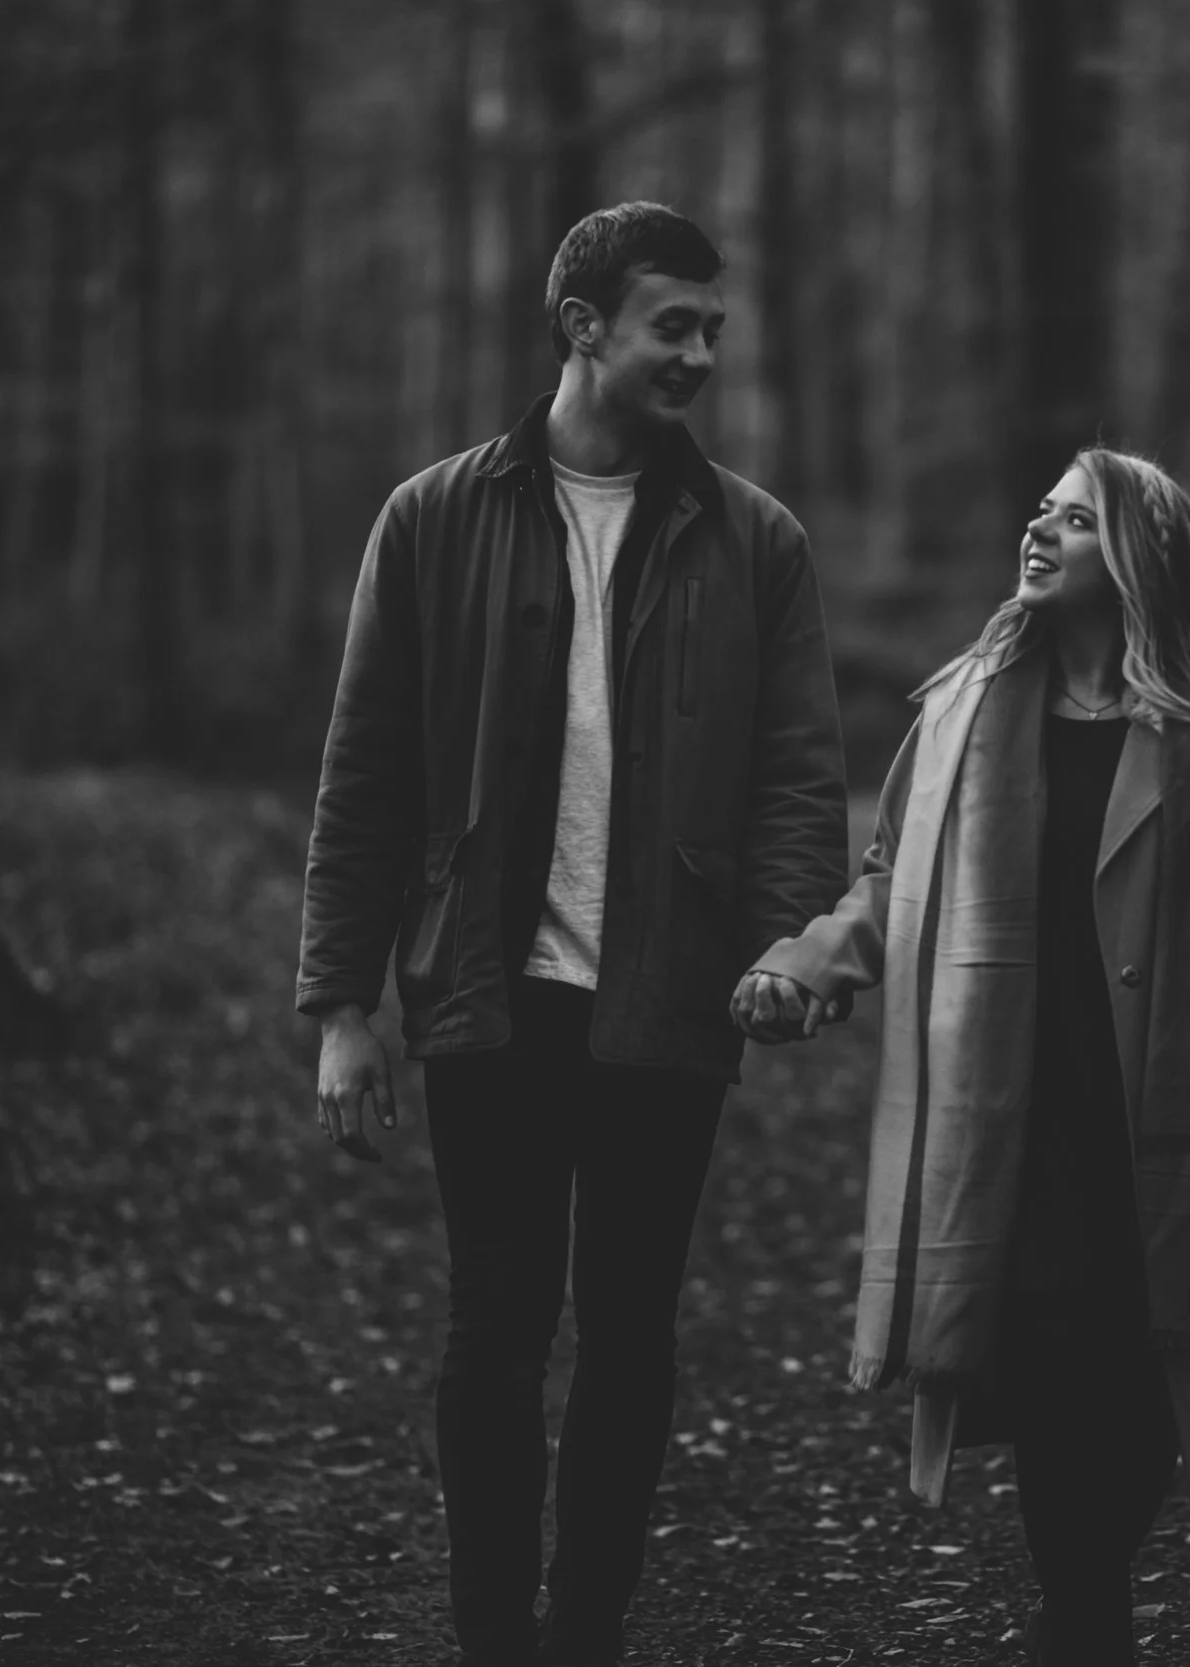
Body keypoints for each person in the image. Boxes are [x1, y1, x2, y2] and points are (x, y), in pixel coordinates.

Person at [297, 201, 848, 1667]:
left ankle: (584, 1627)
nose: (701, 354)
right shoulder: (431, 519)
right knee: (496, 1323)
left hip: (669, 995)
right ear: (583, 323)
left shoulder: (757, 541)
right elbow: (369, 771)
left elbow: (799, 770)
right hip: (493, 987)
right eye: (675, 323)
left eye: (714, 330)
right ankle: (493, 1634)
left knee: (630, 1333)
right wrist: (345, 1001)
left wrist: (788, 946)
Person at [733, 448, 1190, 1665]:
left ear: (1141, 558)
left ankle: (1076, 1617)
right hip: (1015, 1117)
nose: (1040, 530)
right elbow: (892, 879)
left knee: (1151, 1394)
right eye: (1041, 511)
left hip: (1158, 1123)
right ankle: (1089, 1631)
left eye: (1079, 520)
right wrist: (805, 960)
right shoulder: (963, 713)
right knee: (1061, 1388)